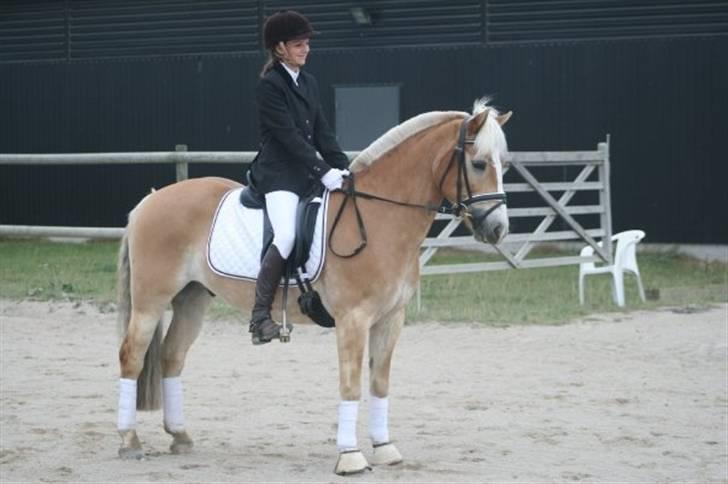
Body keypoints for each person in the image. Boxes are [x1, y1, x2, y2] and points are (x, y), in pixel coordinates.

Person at [247, 10, 350, 345]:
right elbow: (289, 138)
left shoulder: (308, 82)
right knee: (288, 234)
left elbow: (322, 131)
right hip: (278, 175)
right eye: (298, 44)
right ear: (279, 49)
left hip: (305, 172)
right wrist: (324, 171)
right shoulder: (269, 87)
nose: (306, 49)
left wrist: (345, 168)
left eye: (306, 43)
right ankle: (260, 316)